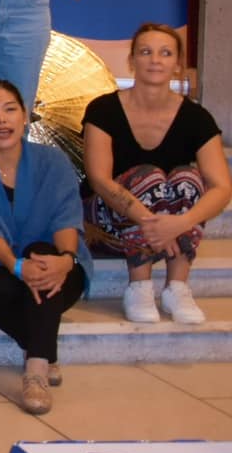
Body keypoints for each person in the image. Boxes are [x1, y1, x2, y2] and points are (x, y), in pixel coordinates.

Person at [0, 78, 87, 415]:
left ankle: (35, 371)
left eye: (10, 109)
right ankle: (45, 348)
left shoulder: (52, 160)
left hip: (56, 268)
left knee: (43, 255)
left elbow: (66, 219)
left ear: (24, 115)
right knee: (1, 287)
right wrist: (17, 266)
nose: (1, 120)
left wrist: (66, 260)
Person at [83, 22, 231, 325]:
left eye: (165, 53)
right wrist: (152, 223)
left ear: (177, 64)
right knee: (149, 176)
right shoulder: (103, 109)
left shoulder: (197, 118)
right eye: (145, 52)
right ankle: (139, 286)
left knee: (188, 179)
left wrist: (179, 223)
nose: (155, 60)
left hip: (171, 229)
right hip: (108, 222)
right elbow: (99, 178)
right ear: (132, 60)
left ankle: (177, 288)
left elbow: (222, 187)